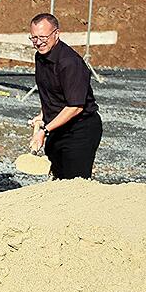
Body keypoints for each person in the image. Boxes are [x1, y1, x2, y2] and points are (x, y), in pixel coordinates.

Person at [28, 13, 102, 179]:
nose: (38, 42)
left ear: (56, 33)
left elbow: (75, 106)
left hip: (79, 130)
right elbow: (51, 93)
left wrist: (45, 131)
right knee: (58, 179)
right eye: (33, 38)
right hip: (57, 127)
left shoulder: (70, 63)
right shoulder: (40, 57)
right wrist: (42, 115)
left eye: (43, 37)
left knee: (74, 184)